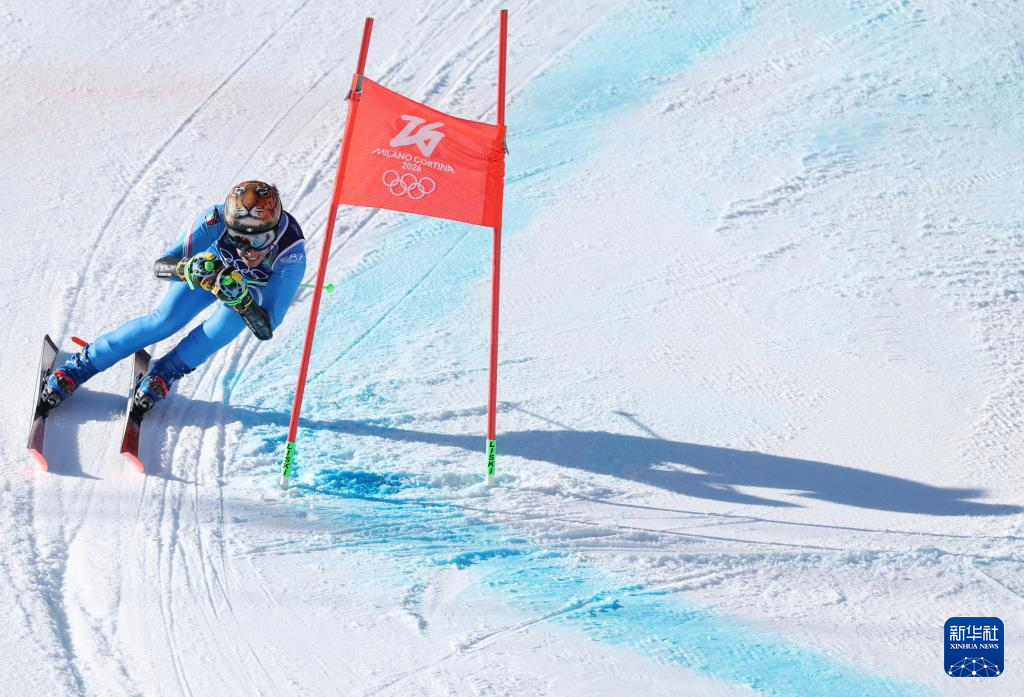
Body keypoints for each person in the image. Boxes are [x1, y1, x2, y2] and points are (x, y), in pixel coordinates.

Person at [39, 180, 307, 414]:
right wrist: (187, 268)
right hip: (212, 268)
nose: (248, 251)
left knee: (225, 325)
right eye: (238, 238)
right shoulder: (215, 219)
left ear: (275, 229)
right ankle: (82, 365)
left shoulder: (291, 254)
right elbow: (162, 265)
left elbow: (266, 328)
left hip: (250, 289)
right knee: (163, 321)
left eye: (259, 240)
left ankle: (166, 371)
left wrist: (243, 302)